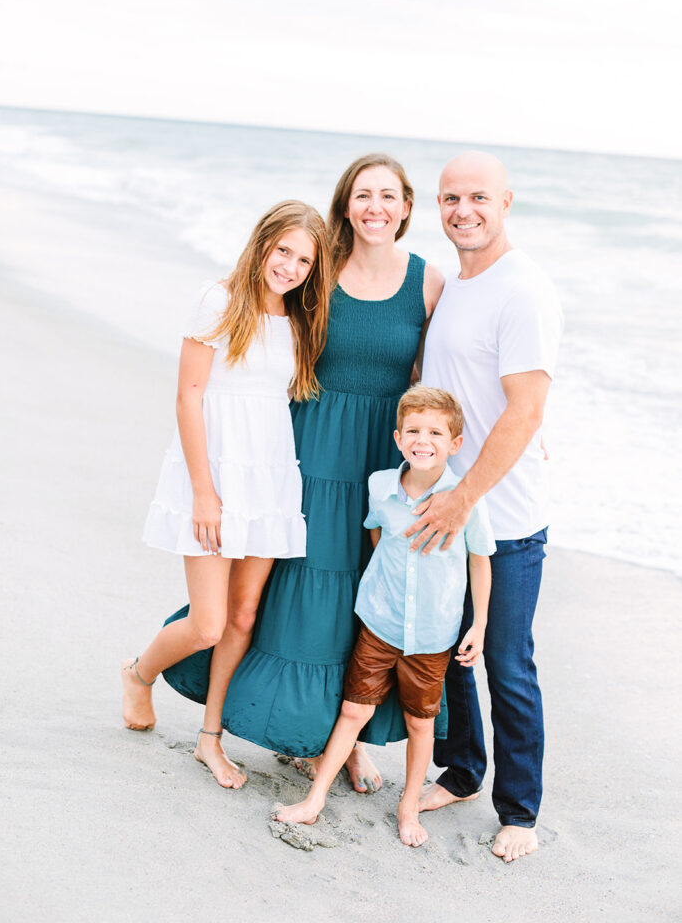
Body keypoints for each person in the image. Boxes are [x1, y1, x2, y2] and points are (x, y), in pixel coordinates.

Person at [161, 154, 444, 793]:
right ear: (346, 204)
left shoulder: (430, 282)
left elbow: (437, 375)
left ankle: (349, 741)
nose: (375, 206)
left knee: (362, 592)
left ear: (405, 208)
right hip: (307, 445)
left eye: (388, 196)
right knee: (290, 590)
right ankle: (296, 730)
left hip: (379, 455)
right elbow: (259, 338)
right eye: (362, 194)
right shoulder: (320, 271)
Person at [120, 200, 331, 789]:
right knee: (209, 624)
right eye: (282, 251)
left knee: (243, 614)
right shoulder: (219, 300)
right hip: (211, 473)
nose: (289, 266)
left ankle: (208, 738)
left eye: (303, 260)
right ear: (262, 243)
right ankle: (139, 674)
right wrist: (204, 493)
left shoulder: (298, 319)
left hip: (267, 476)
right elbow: (189, 397)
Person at [409, 151, 563, 863]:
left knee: (503, 661)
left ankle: (520, 810)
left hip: (502, 519)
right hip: (446, 507)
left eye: (476, 197)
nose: (461, 210)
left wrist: (463, 497)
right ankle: (463, 771)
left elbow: (525, 409)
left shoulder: (521, 289)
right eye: (448, 198)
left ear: (506, 202)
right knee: (446, 652)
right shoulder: (457, 285)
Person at [274, 385, 495, 847]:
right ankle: (314, 800)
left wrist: (478, 624)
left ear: (455, 443)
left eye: (436, 432)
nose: (423, 439)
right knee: (354, 709)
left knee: (421, 723)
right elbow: (377, 535)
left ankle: (408, 807)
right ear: (398, 438)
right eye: (414, 430)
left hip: (434, 634)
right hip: (380, 622)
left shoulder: (465, 499)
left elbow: (480, 559)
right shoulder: (380, 486)